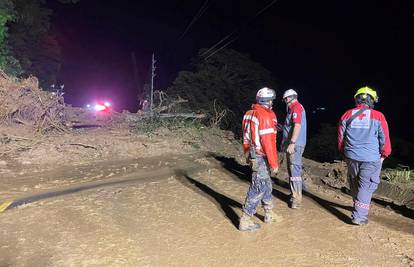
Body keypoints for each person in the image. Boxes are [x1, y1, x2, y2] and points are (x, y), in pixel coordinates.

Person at [338, 86, 391, 225]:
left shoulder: (346, 115)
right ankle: (359, 217)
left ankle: (357, 206)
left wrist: (344, 153)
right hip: (370, 158)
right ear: (372, 100)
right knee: (366, 186)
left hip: (351, 156)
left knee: (355, 182)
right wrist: (385, 154)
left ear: (357, 99)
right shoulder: (378, 116)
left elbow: (340, 139)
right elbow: (384, 140)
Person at [239, 87, 280, 232]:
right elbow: (268, 142)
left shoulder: (249, 113)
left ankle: (269, 213)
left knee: (266, 184)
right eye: (271, 100)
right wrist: (274, 163)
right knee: (259, 186)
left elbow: (245, 137)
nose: (272, 103)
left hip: (252, 153)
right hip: (261, 155)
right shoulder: (265, 116)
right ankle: (246, 219)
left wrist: (246, 155)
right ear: (267, 101)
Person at [282, 89, 307, 209]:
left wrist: (292, 143)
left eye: (285, 99)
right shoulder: (293, 109)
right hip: (293, 144)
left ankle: (296, 199)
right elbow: (291, 126)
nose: (285, 101)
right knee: (292, 171)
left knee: (294, 170)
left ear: (289, 98)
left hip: (295, 145)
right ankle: (294, 194)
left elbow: (297, 125)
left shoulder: (296, 107)